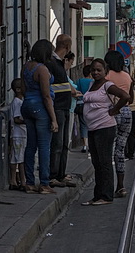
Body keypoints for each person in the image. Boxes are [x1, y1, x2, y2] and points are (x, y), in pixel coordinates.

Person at [81, 58, 130, 206]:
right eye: (93, 70)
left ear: (105, 72)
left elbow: (125, 96)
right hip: (93, 128)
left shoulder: (107, 85)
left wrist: (114, 110)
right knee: (96, 162)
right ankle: (97, 195)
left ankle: (106, 196)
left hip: (105, 127)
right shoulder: (91, 84)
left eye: (99, 70)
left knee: (104, 162)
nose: (95, 72)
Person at [21, 39, 59, 194]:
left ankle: (29, 182)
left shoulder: (26, 67)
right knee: (44, 146)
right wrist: (54, 119)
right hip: (40, 108)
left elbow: (23, 88)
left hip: (27, 106)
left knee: (30, 145)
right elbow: (46, 96)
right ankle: (44, 183)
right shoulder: (42, 69)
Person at [47, 35, 76, 189]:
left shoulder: (59, 63)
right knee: (57, 143)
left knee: (64, 143)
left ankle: (61, 174)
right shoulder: (52, 62)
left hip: (64, 106)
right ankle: (52, 175)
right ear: (67, 46)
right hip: (57, 106)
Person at [104, 50, 134, 197]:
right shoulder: (127, 76)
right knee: (120, 150)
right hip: (127, 112)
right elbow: (131, 99)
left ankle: (107, 186)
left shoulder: (107, 76)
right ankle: (121, 186)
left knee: (108, 150)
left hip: (111, 112)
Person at [9, 78, 27, 190]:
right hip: (19, 134)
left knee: (16, 158)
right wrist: (27, 121)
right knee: (20, 159)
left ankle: (15, 181)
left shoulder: (19, 101)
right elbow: (16, 119)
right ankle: (21, 181)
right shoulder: (18, 103)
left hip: (19, 134)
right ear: (19, 89)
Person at [75, 64, 93, 153]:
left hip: (81, 105)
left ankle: (84, 145)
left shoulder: (79, 81)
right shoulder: (92, 82)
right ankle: (90, 144)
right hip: (90, 106)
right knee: (90, 125)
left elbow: (76, 92)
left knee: (83, 125)